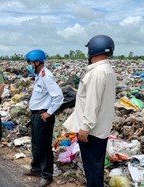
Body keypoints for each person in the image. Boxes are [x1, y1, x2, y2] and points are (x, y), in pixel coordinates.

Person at [62, 35, 116, 187]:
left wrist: (85, 127)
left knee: (92, 169)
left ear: (93, 50)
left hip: (92, 132)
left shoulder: (97, 72)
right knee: (96, 168)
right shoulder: (108, 70)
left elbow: (93, 103)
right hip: (100, 130)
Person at [23, 49, 64, 187]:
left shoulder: (46, 76)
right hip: (36, 115)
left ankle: (47, 175)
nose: (28, 66)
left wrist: (49, 112)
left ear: (37, 62)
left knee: (44, 146)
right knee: (36, 143)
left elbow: (58, 96)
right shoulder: (39, 75)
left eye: (29, 63)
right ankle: (36, 168)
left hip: (43, 116)